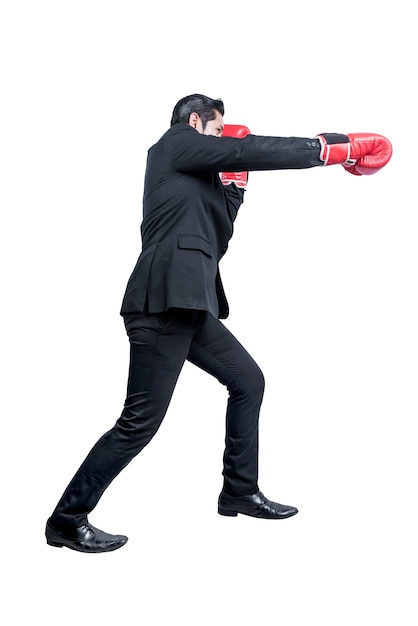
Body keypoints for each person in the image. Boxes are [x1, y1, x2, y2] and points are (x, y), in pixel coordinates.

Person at [45, 94, 392, 552]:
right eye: (216, 131)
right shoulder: (172, 145)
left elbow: (216, 236)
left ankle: (239, 491)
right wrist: (331, 148)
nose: (221, 140)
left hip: (189, 305)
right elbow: (245, 149)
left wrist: (234, 188)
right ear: (195, 121)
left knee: (249, 381)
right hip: (162, 304)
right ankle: (67, 519)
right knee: (139, 423)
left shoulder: (196, 176)